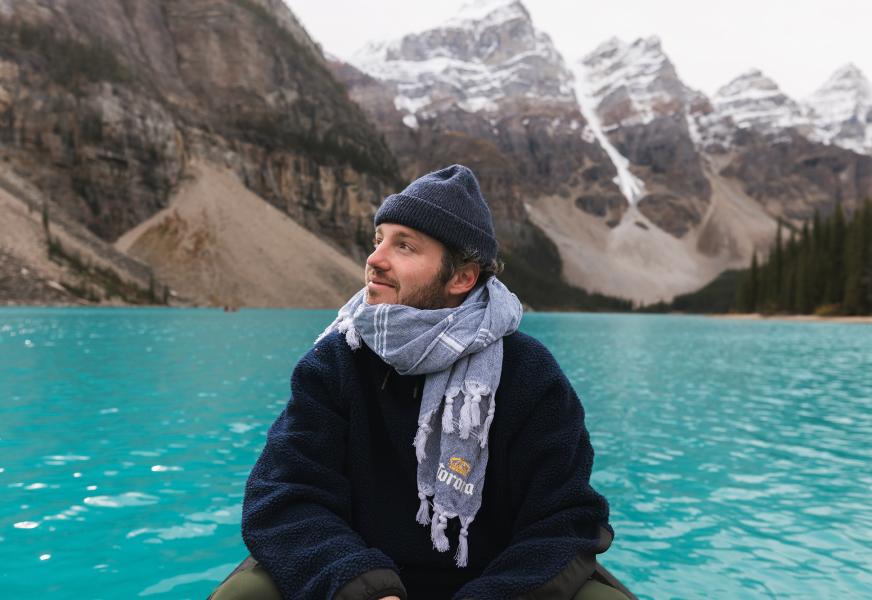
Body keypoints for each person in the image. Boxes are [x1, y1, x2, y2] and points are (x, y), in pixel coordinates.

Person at [210, 165, 628, 600]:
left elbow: (565, 519)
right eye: (378, 240)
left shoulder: (529, 374)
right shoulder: (336, 360)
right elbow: (285, 495)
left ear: (462, 277)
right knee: (243, 595)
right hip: (357, 578)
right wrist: (367, 590)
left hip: (495, 584)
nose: (374, 259)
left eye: (404, 246)